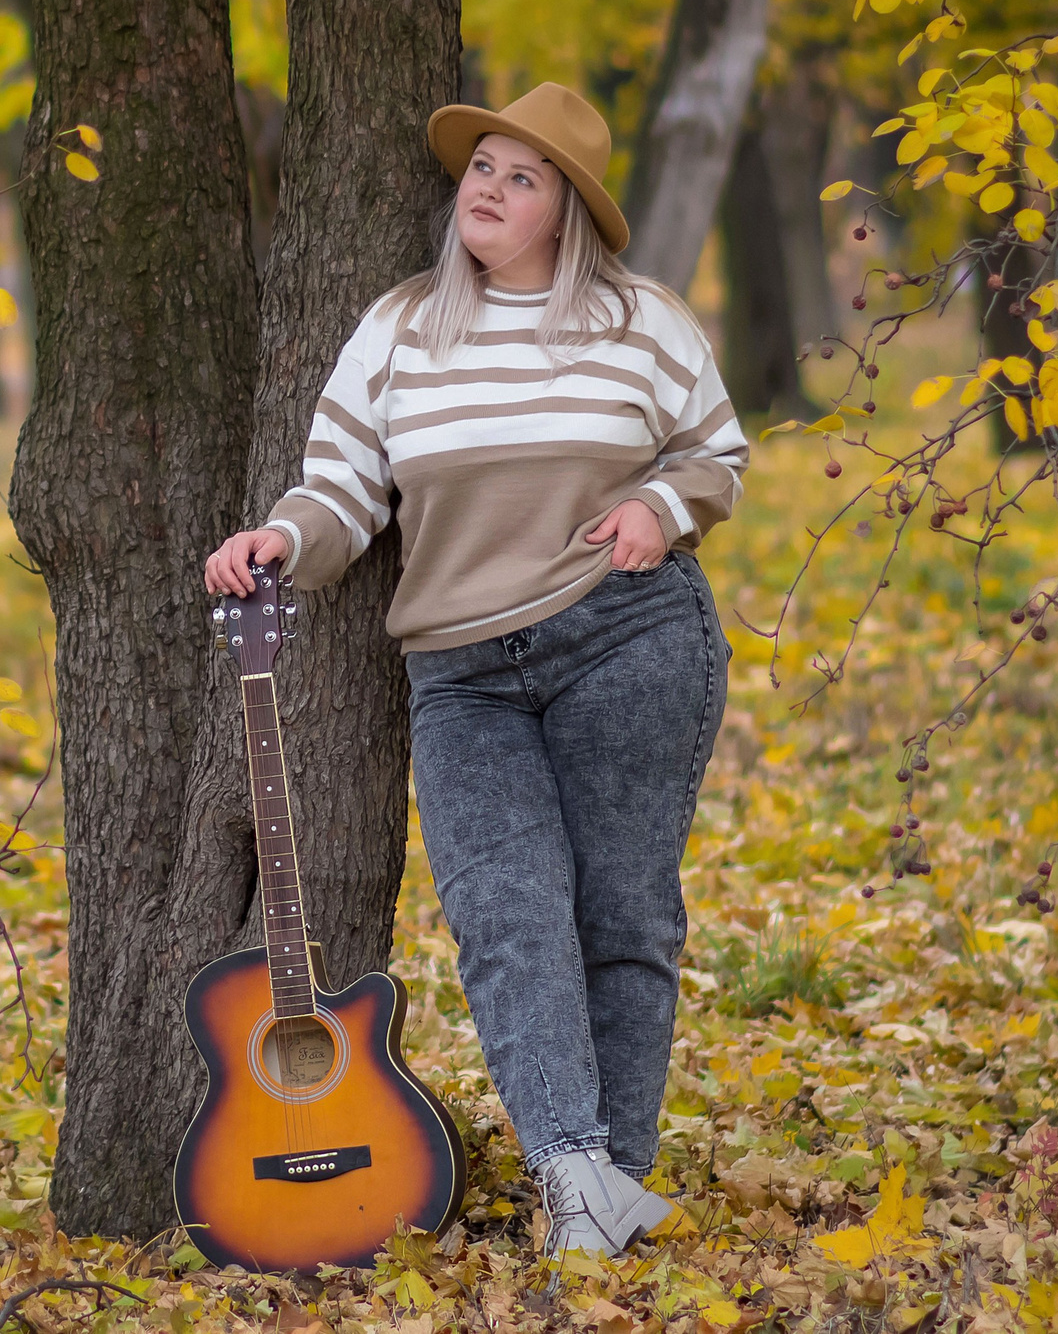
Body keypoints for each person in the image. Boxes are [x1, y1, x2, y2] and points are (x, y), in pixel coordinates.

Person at [203, 82, 747, 1257]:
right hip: (461, 674)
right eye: (481, 168)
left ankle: (613, 1184)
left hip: (626, 634)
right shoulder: (400, 327)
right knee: (505, 919)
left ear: (569, 213)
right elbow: (344, 482)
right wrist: (282, 540)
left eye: (522, 176)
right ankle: (573, 1171)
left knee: (622, 916)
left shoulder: (641, 321)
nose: (487, 191)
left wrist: (661, 503)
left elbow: (716, 451)